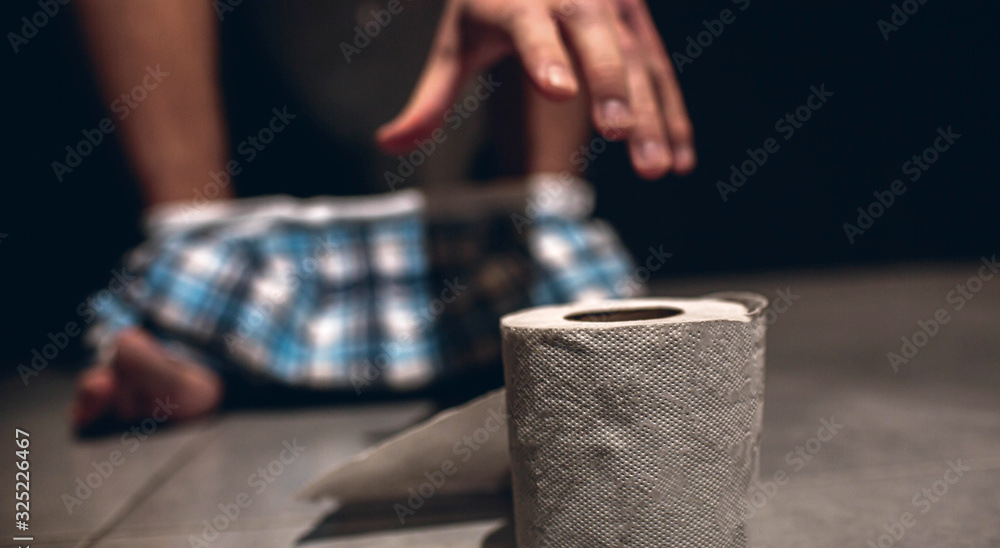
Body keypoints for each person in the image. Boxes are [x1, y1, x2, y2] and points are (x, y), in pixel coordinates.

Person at [71, 0, 696, 432]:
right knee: (192, 271)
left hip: (496, 154)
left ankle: (545, 297)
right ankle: (192, 320)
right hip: (268, 99)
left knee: (546, 253)